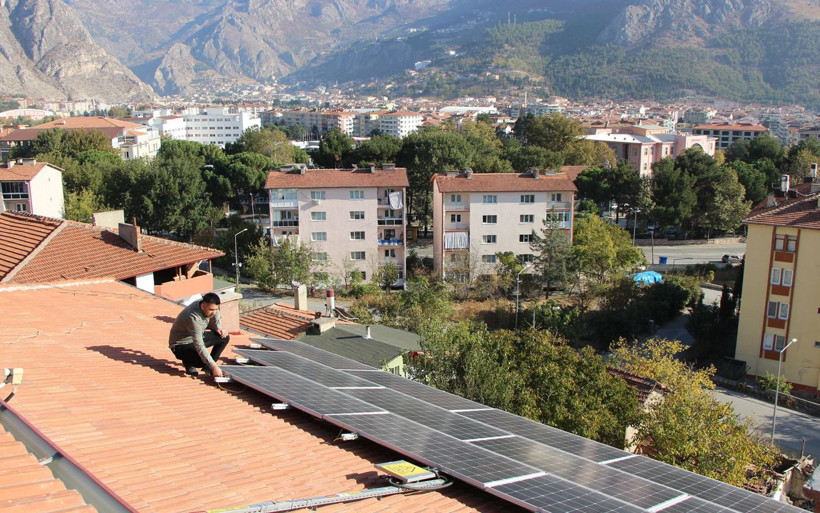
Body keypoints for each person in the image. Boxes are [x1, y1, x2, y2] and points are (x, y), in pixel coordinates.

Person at [168, 292, 229, 377]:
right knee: (201, 362)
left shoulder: (206, 303)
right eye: (211, 310)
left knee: (223, 337)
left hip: (195, 337)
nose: (213, 313)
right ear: (203, 306)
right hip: (180, 344)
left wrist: (219, 327)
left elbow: (216, 312)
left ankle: (208, 368)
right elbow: (199, 345)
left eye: (216, 309)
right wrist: (214, 367)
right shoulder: (194, 318)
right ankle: (188, 362)